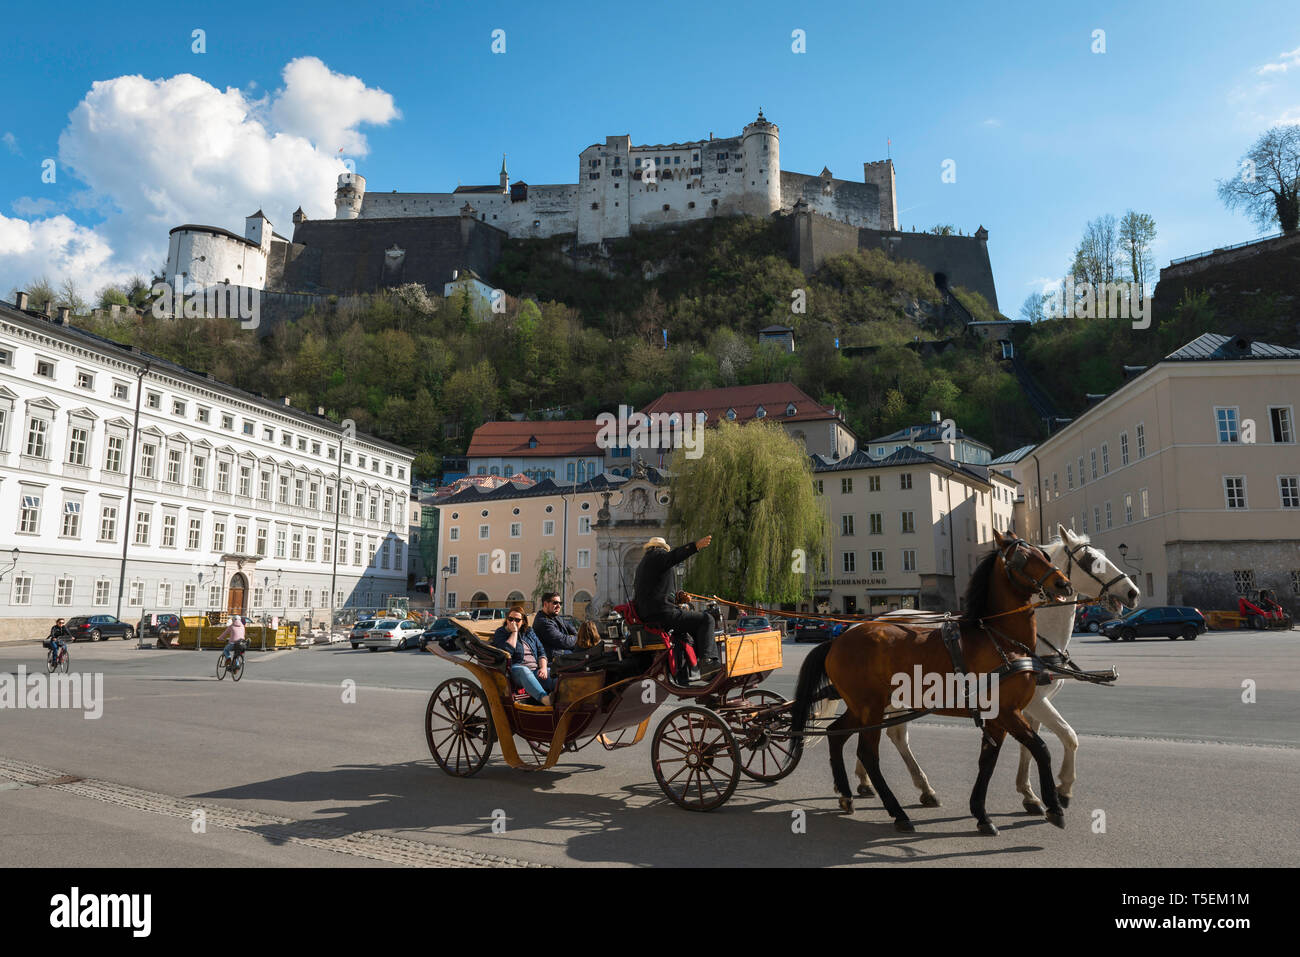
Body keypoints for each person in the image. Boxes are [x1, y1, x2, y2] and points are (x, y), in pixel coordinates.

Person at [633, 535, 720, 680]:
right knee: (707, 619)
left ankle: (700, 667)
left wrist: (677, 597)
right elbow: (674, 556)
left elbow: (656, 591)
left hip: (650, 615)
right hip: (663, 615)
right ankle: (707, 663)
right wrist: (695, 546)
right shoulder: (658, 555)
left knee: (694, 624)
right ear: (661, 548)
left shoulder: (643, 563)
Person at [491, 607, 555, 707]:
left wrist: (543, 668)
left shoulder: (529, 632)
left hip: (535, 670)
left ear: (523, 621)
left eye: (517, 620)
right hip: (515, 670)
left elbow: (541, 651)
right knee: (523, 670)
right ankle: (544, 699)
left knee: (556, 673)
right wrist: (514, 632)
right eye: (510, 619)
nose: (513, 622)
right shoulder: (501, 632)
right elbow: (507, 652)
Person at [533, 592, 578, 656]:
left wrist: (578, 636)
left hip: (562, 651)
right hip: (553, 657)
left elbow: (572, 629)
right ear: (545, 604)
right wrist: (578, 639)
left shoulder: (556, 617)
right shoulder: (543, 622)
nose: (559, 606)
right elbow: (563, 641)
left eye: (560, 603)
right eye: (555, 603)